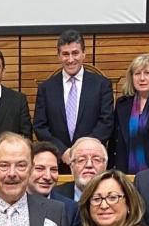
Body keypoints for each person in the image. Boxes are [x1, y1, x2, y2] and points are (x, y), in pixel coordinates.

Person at [34, 29, 114, 172]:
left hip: (91, 164)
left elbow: (106, 122)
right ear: (59, 56)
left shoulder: (102, 85)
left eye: (75, 53)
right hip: (58, 164)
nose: (70, 59)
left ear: (84, 53)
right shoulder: (46, 88)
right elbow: (40, 126)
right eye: (65, 54)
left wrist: (83, 152)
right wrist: (62, 151)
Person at [53, 137, 108, 201]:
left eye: (96, 160)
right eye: (81, 160)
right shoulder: (54, 197)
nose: (89, 165)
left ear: (105, 165)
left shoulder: (118, 196)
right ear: (71, 167)